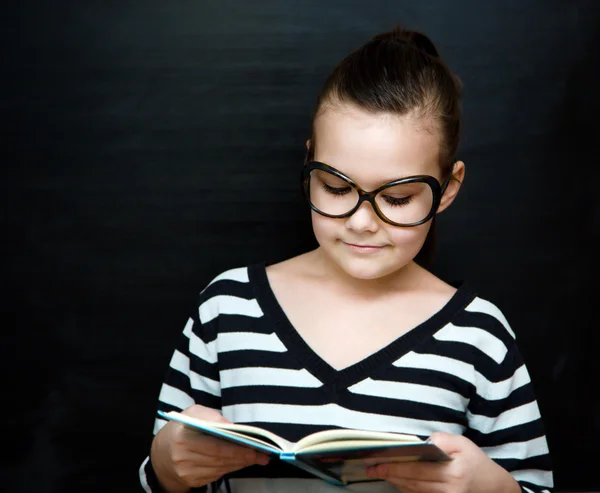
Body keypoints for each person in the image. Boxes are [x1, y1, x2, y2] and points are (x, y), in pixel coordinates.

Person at [139, 25, 553, 493]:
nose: (361, 221)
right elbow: (164, 475)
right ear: (309, 163)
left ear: (448, 189)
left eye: (397, 198)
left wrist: (490, 488)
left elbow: (533, 485)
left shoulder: (479, 335)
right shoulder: (227, 309)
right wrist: (166, 467)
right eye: (336, 188)